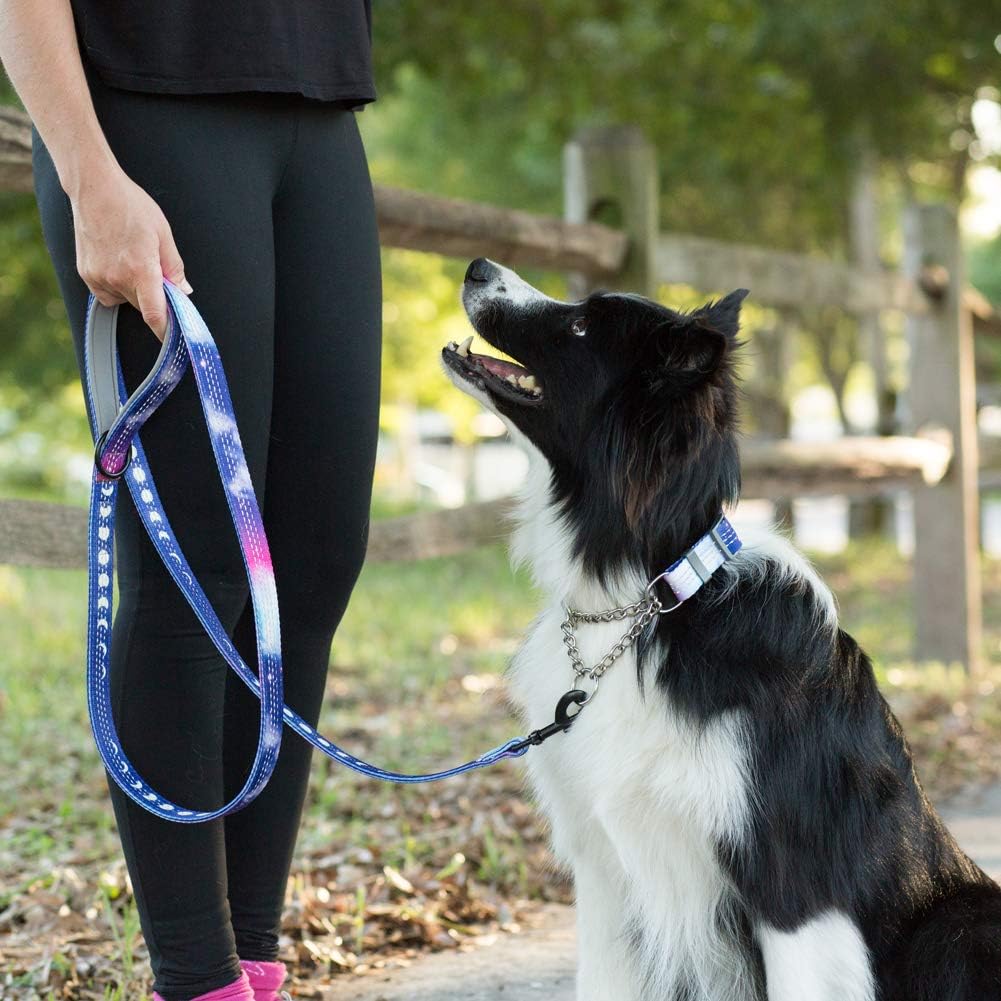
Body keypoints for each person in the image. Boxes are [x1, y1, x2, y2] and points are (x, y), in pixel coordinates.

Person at [0, 2, 382, 999]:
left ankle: (252, 964)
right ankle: (198, 977)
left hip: (317, 98)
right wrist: (87, 170)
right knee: (193, 569)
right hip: (144, 108)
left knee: (312, 558)